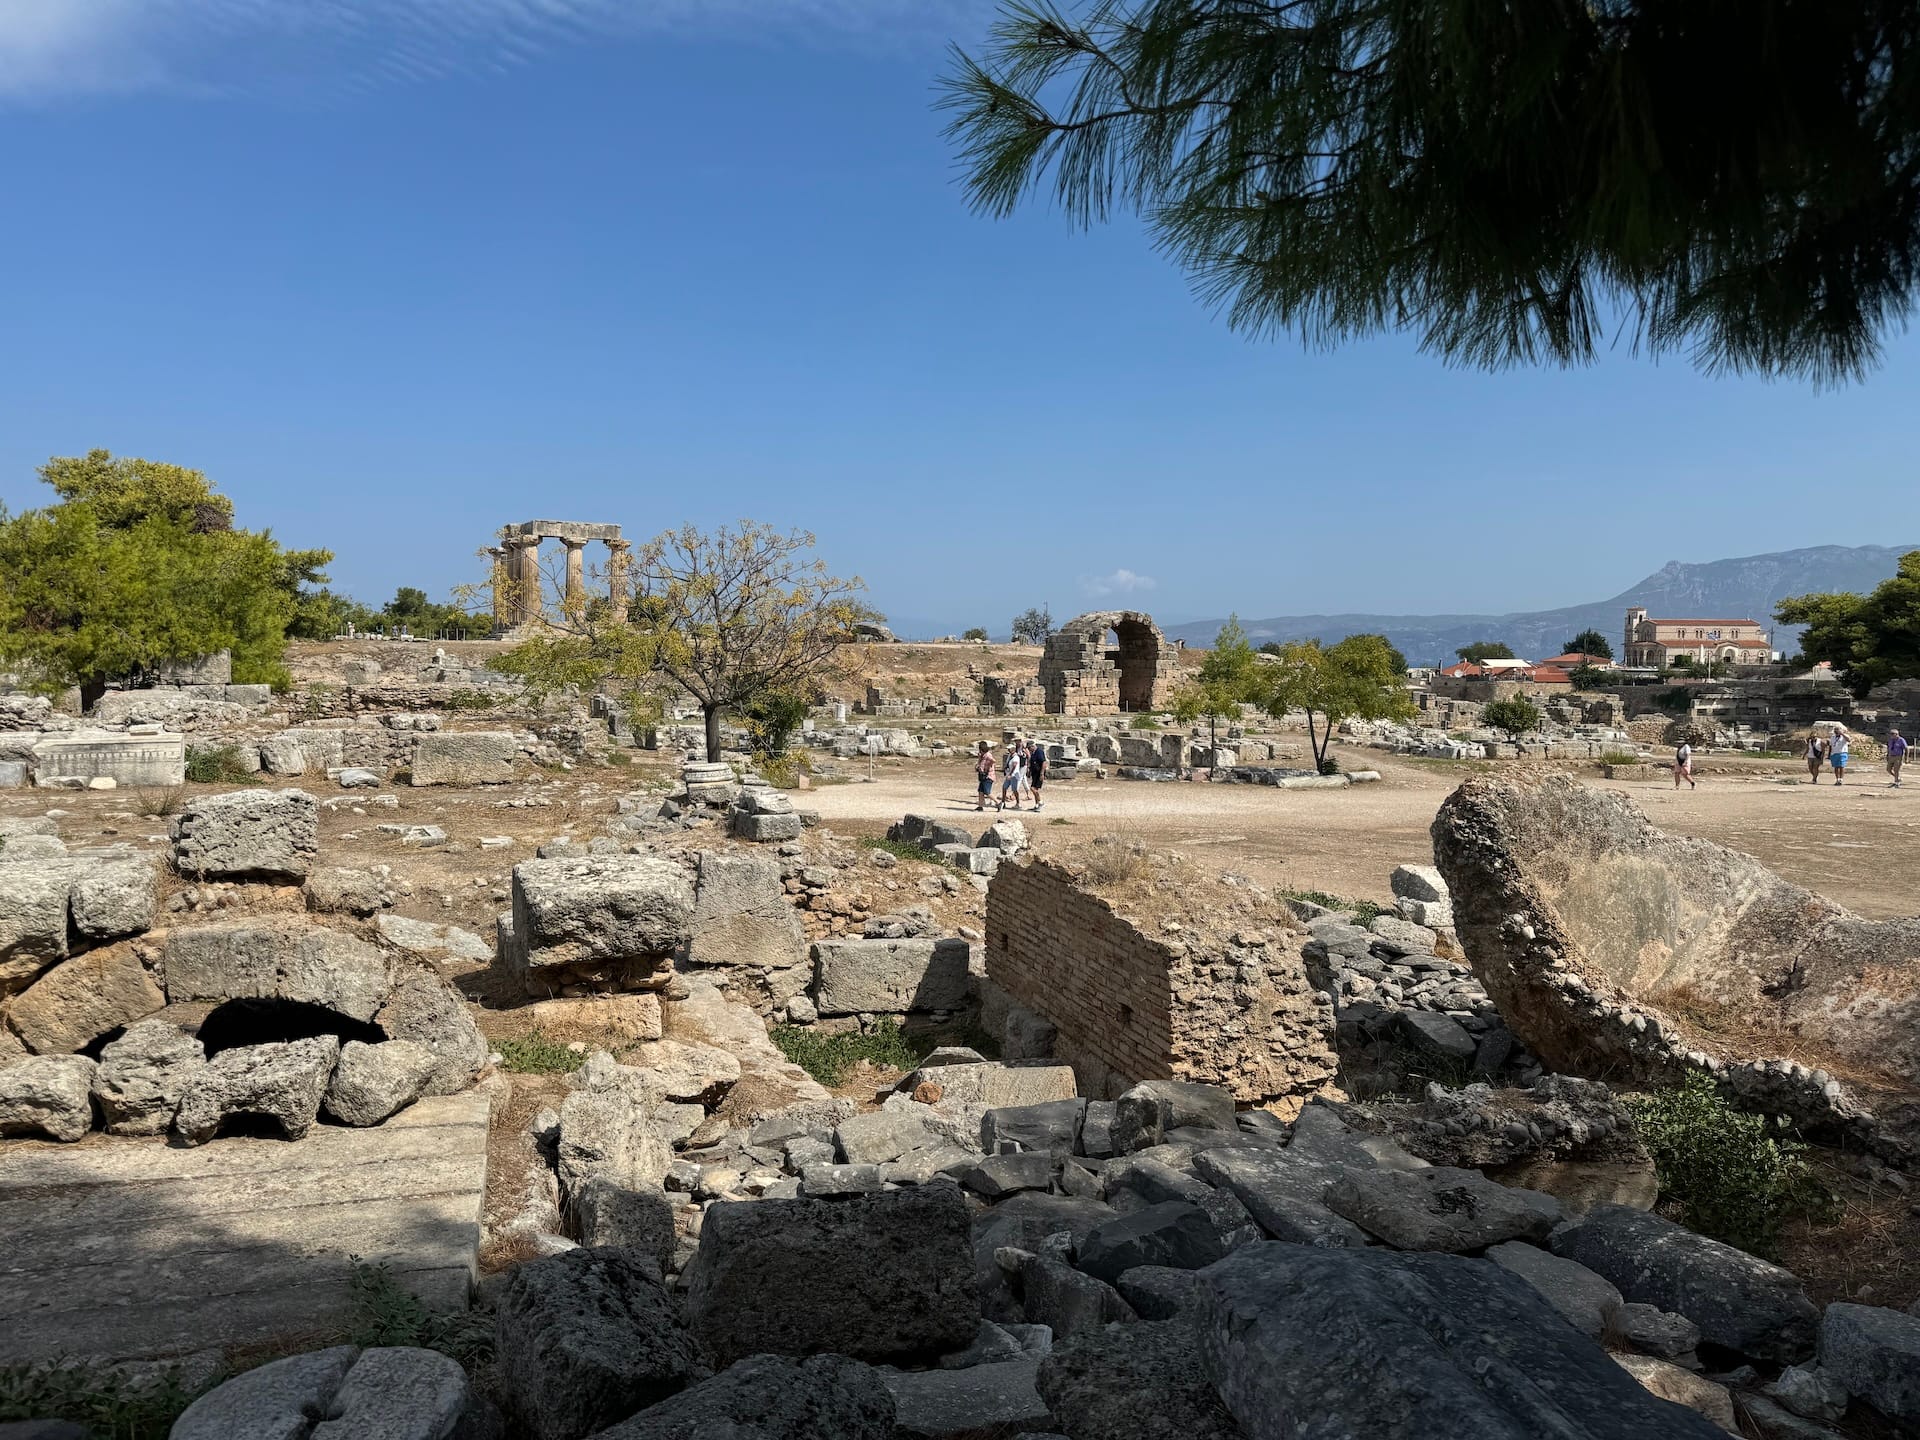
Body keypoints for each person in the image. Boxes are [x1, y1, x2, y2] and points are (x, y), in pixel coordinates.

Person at [999, 741, 1024, 810]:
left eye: (1009, 749)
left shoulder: (1016, 757)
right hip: (1009, 774)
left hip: (1014, 775)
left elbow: (1014, 766)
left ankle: (1018, 803)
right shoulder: (1010, 755)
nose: (1008, 750)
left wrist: (1010, 774)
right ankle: (1003, 802)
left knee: (1014, 790)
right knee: (1004, 787)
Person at [1027, 736, 1048, 812]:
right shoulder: (1033, 753)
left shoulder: (1039, 752)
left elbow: (1043, 762)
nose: (1029, 750)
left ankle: (1041, 802)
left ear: (1033, 746)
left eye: (1029, 748)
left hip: (1039, 773)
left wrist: (1042, 773)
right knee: (1034, 788)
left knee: (1033, 788)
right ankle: (1037, 805)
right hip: (1034, 773)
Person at [973, 741, 995, 812]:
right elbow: (980, 763)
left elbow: (993, 761)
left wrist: (987, 768)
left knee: (987, 792)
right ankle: (980, 806)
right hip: (982, 776)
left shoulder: (988, 755)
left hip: (988, 776)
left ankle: (998, 803)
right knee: (980, 791)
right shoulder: (982, 755)